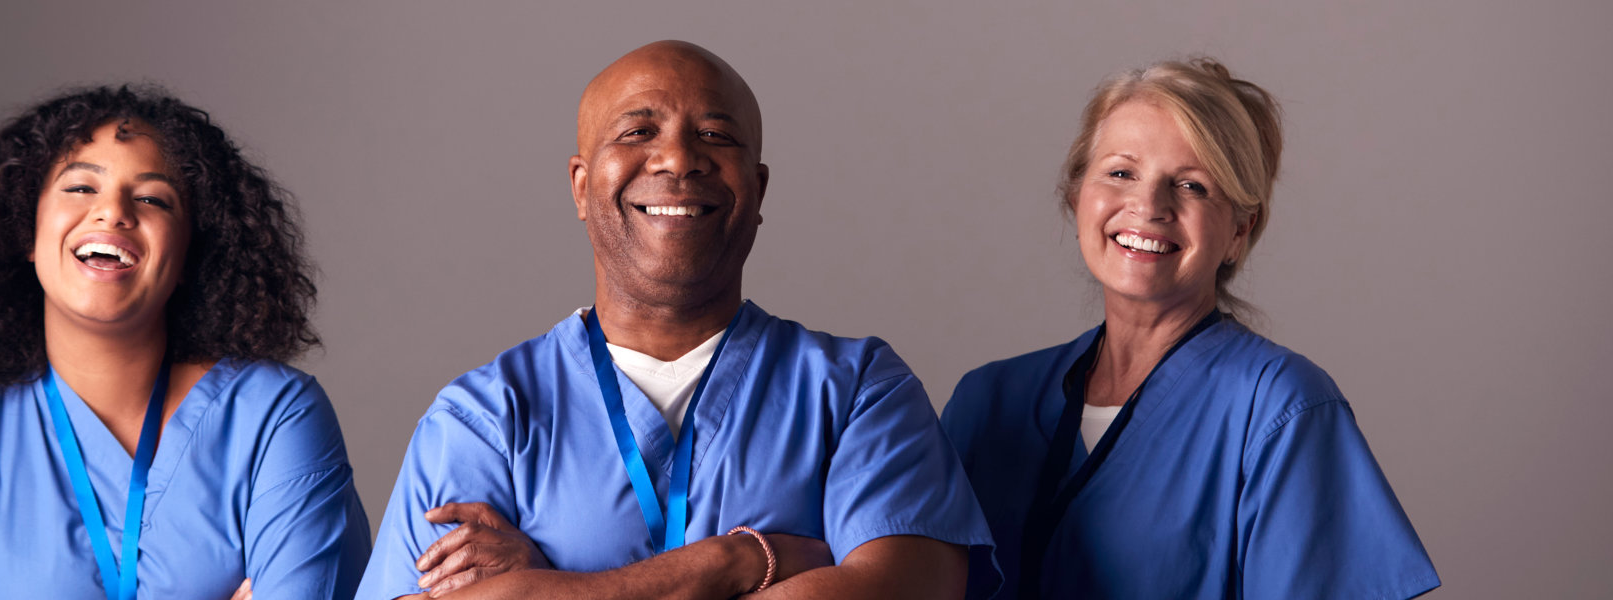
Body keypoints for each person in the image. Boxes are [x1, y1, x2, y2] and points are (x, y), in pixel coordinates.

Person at [355, 41, 997, 600]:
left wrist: (547, 587)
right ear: (581, 187)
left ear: (759, 188)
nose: (678, 159)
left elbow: (908, 589)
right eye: (637, 132)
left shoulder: (857, 389)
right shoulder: (485, 417)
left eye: (715, 136)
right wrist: (739, 561)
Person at [0, 86, 370, 599]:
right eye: (81, 187)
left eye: (154, 199)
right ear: (25, 234)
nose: (113, 212)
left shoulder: (272, 418)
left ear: (189, 256)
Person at [940, 58, 1439, 599]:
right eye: (1121, 172)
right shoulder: (986, 403)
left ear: (1239, 232)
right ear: (1076, 194)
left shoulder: (1278, 407)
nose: (1149, 206)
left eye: (1192, 186)